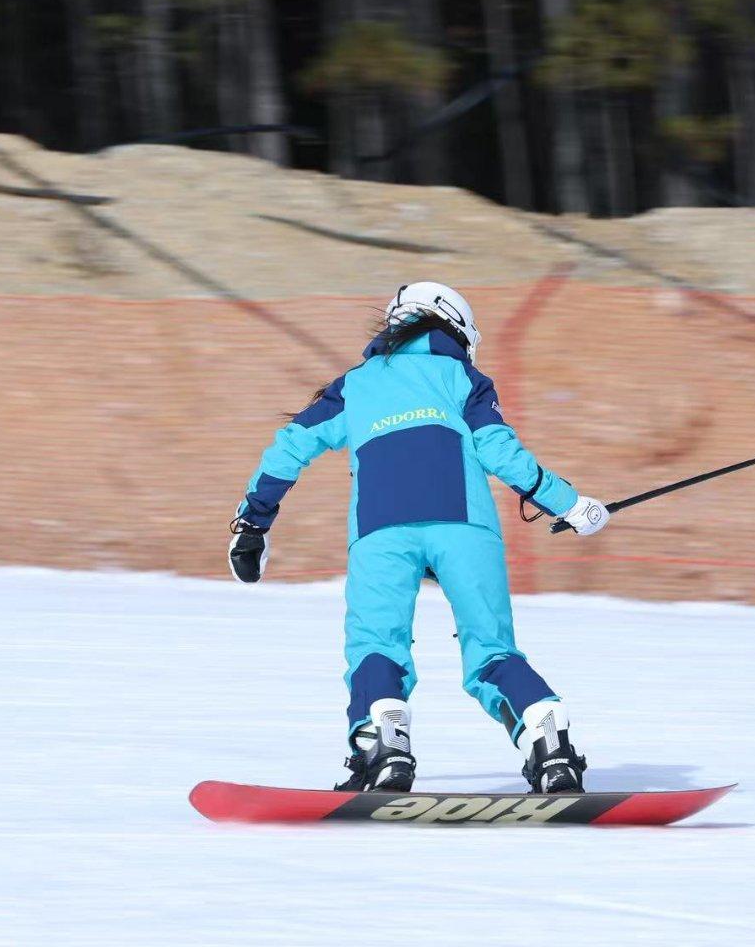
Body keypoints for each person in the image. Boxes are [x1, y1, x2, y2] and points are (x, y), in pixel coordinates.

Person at [228, 282, 610, 794]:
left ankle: (383, 748)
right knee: (492, 650)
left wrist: (253, 523)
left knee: (376, 645)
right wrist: (571, 504)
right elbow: (500, 453)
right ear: (457, 328)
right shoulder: (464, 377)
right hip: (465, 528)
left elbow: (289, 447)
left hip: (380, 532)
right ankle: (550, 748)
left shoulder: (355, 384)